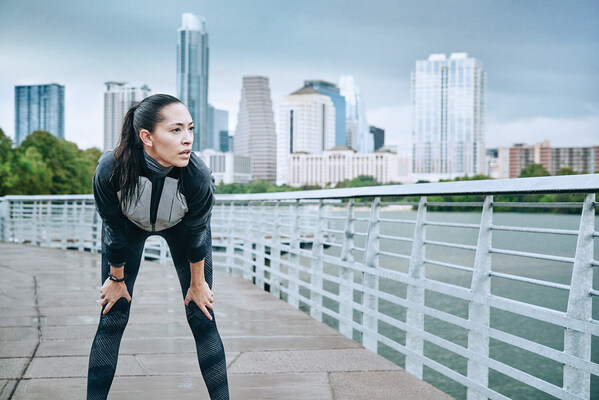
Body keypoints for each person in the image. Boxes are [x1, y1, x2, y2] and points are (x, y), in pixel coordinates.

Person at [87, 94, 229, 399]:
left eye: (190, 129)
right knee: (113, 316)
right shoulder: (110, 169)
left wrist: (197, 284)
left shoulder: (198, 175)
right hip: (129, 228)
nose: (187, 139)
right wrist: (115, 278)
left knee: (202, 315)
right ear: (147, 137)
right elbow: (113, 227)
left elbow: (197, 234)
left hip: (182, 229)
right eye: (176, 130)